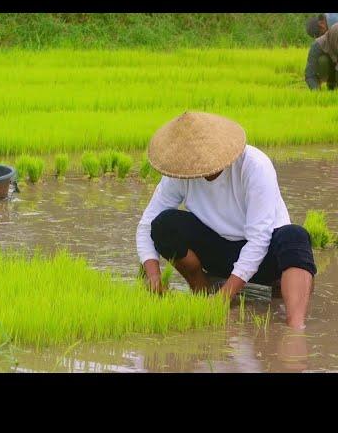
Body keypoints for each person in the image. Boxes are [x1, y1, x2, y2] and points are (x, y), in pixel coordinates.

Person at [136, 111, 316, 330]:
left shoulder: (255, 166)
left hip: (268, 256)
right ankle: (203, 293)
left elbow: (259, 239)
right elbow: (147, 223)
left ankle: (295, 328)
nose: (203, 169)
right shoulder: (180, 173)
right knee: (164, 225)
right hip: (220, 250)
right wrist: (153, 276)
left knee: (295, 237)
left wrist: (225, 295)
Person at [305, 23, 338, 90]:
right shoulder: (318, 45)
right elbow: (310, 74)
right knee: (323, 61)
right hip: (328, 68)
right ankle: (331, 84)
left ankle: (334, 88)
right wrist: (316, 92)